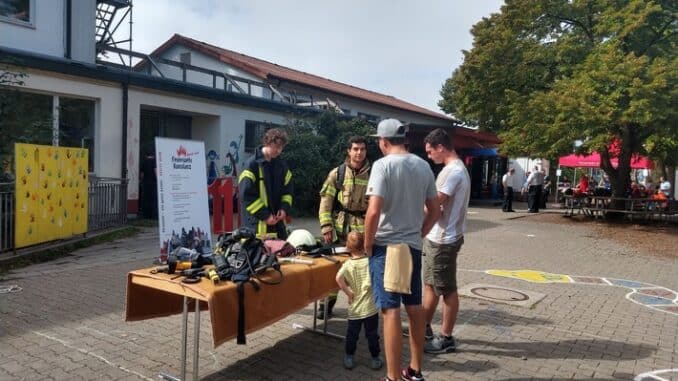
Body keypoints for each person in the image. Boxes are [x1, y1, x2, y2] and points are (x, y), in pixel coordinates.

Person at [364, 118, 440, 381]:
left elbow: (373, 211)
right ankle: (416, 369)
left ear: (383, 142)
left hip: (387, 246)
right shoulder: (423, 166)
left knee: (390, 309)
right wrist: (419, 233)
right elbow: (436, 210)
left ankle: (393, 376)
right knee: (414, 305)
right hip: (412, 246)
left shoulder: (382, 166)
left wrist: (367, 242)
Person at [420, 128, 470, 355]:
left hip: (443, 241)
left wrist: (415, 222)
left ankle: (446, 337)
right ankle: (424, 327)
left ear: (441, 147)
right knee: (431, 284)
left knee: (447, 289)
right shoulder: (455, 169)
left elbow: (434, 206)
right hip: (439, 238)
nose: (429, 157)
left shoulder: (452, 172)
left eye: (431, 152)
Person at [317, 136, 371, 319]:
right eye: (355, 149)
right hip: (339, 230)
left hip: (361, 232)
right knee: (334, 269)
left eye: (362, 149)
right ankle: (326, 306)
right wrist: (326, 226)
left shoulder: (373, 175)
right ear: (349, 151)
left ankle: (361, 308)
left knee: (360, 271)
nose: (359, 152)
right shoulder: (337, 173)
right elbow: (326, 201)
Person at [335, 231, 383, 371]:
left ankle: (349, 357)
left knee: (352, 335)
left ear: (348, 248)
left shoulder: (348, 264)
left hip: (354, 309)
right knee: (372, 335)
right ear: (364, 246)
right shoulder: (370, 261)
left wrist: (348, 292)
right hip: (370, 308)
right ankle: (375, 359)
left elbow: (338, 278)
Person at [238, 128, 293, 239]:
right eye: (277, 147)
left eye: (281, 147)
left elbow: (288, 192)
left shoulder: (282, 166)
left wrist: (284, 209)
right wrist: (265, 216)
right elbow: (246, 195)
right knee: (258, 255)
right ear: (268, 142)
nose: (279, 151)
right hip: (255, 227)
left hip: (278, 227)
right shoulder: (251, 165)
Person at [139, 152, 158, 219]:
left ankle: (146, 215)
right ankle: (153, 216)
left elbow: (142, 174)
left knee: (146, 199)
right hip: (153, 183)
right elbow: (155, 171)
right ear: (153, 155)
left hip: (145, 183)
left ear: (146, 155)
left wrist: (142, 181)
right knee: (153, 199)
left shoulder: (143, 162)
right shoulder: (154, 161)